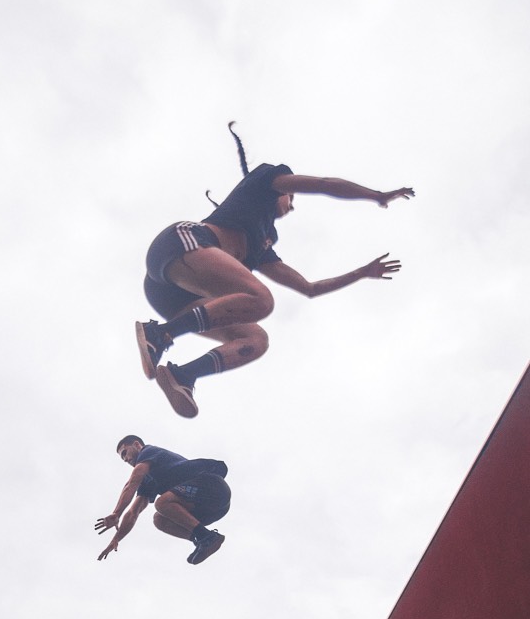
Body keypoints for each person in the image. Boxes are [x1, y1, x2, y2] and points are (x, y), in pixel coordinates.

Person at [136, 123, 415, 417]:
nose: (293, 206)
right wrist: (377, 195)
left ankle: (183, 376)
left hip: (174, 299)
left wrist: (362, 272)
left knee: (257, 340)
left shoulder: (262, 245)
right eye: (292, 198)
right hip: (178, 246)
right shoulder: (266, 181)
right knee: (261, 299)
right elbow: (322, 184)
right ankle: (160, 334)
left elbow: (309, 288)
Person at [96, 435, 231, 566]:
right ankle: (203, 539)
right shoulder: (148, 481)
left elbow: (132, 483)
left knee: (162, 503)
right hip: (209, 510)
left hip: (213, 488)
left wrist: (116, 513)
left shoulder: (148, 451)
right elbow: (133, 512)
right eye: (122, 458)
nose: (125, 459)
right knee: (159, 520)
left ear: (137, 445)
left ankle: (206, 537)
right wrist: (116, 539)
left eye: (125, 453)